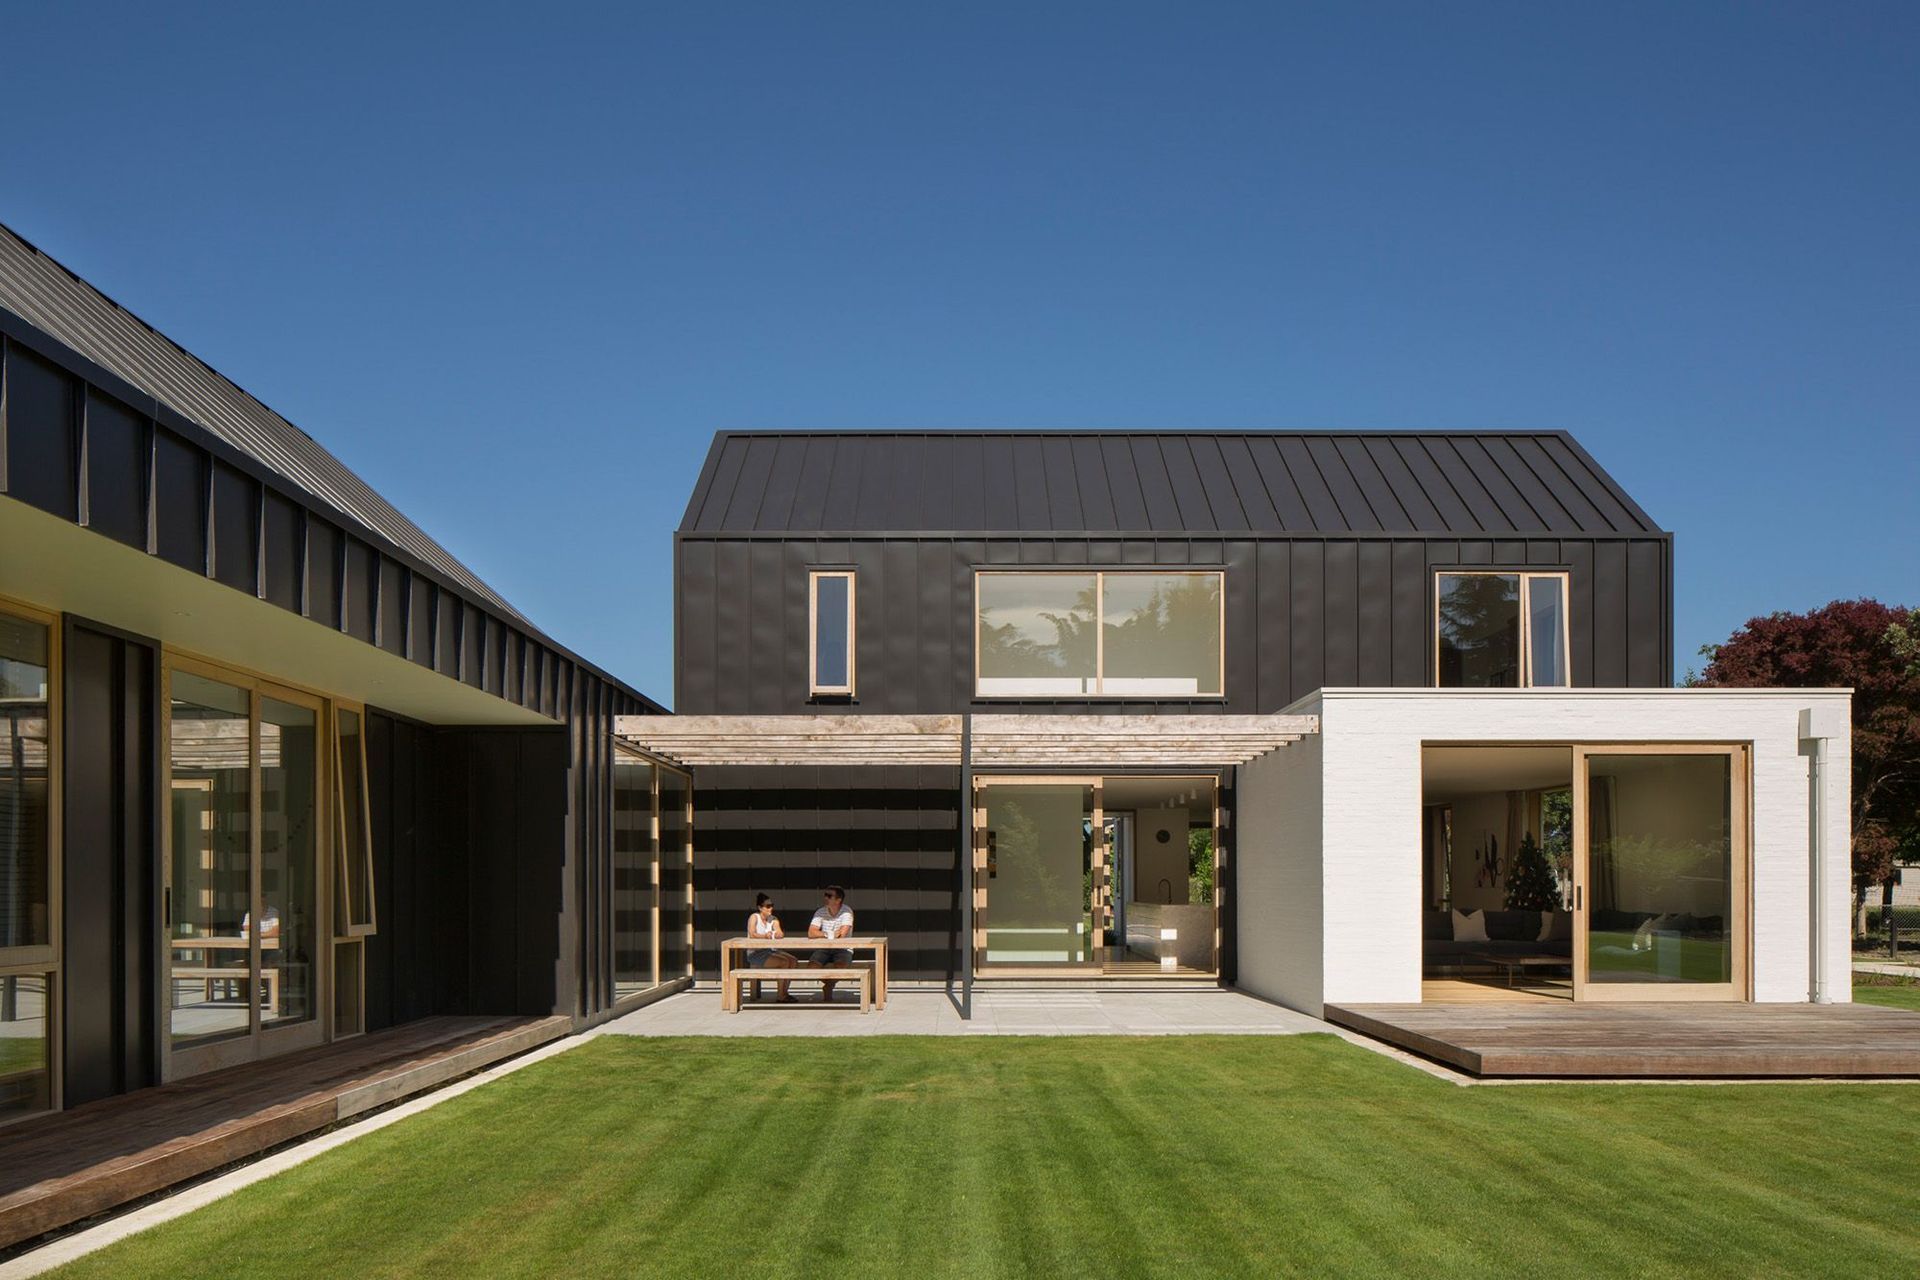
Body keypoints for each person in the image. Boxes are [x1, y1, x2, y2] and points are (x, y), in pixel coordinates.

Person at [745, 894, 798, 1002]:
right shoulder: (754, 917)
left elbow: (780, 933)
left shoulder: (773, 919)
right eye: (768, 906)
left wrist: (777, 934)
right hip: (756, 953)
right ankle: (780, 995)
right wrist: (765, 936)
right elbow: (752, 934)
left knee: (793, 960)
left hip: (770, 951)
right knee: (784, 962)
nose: (771, 908)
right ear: (760, 908)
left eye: (772, 905)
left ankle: (784, 992)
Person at [807, 885, 855, 1002]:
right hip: (824, 947)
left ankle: (828, 986)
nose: (825, 898)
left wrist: (821, 933)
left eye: (829, 896)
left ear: (838, 900)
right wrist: (829, 934)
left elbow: (842, 934)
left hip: (843, 948)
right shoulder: (820, 911)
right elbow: (811, 932)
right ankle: (830, 984)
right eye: (825, 895)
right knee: (811, 967)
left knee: (841, 966)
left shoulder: (846, 912)